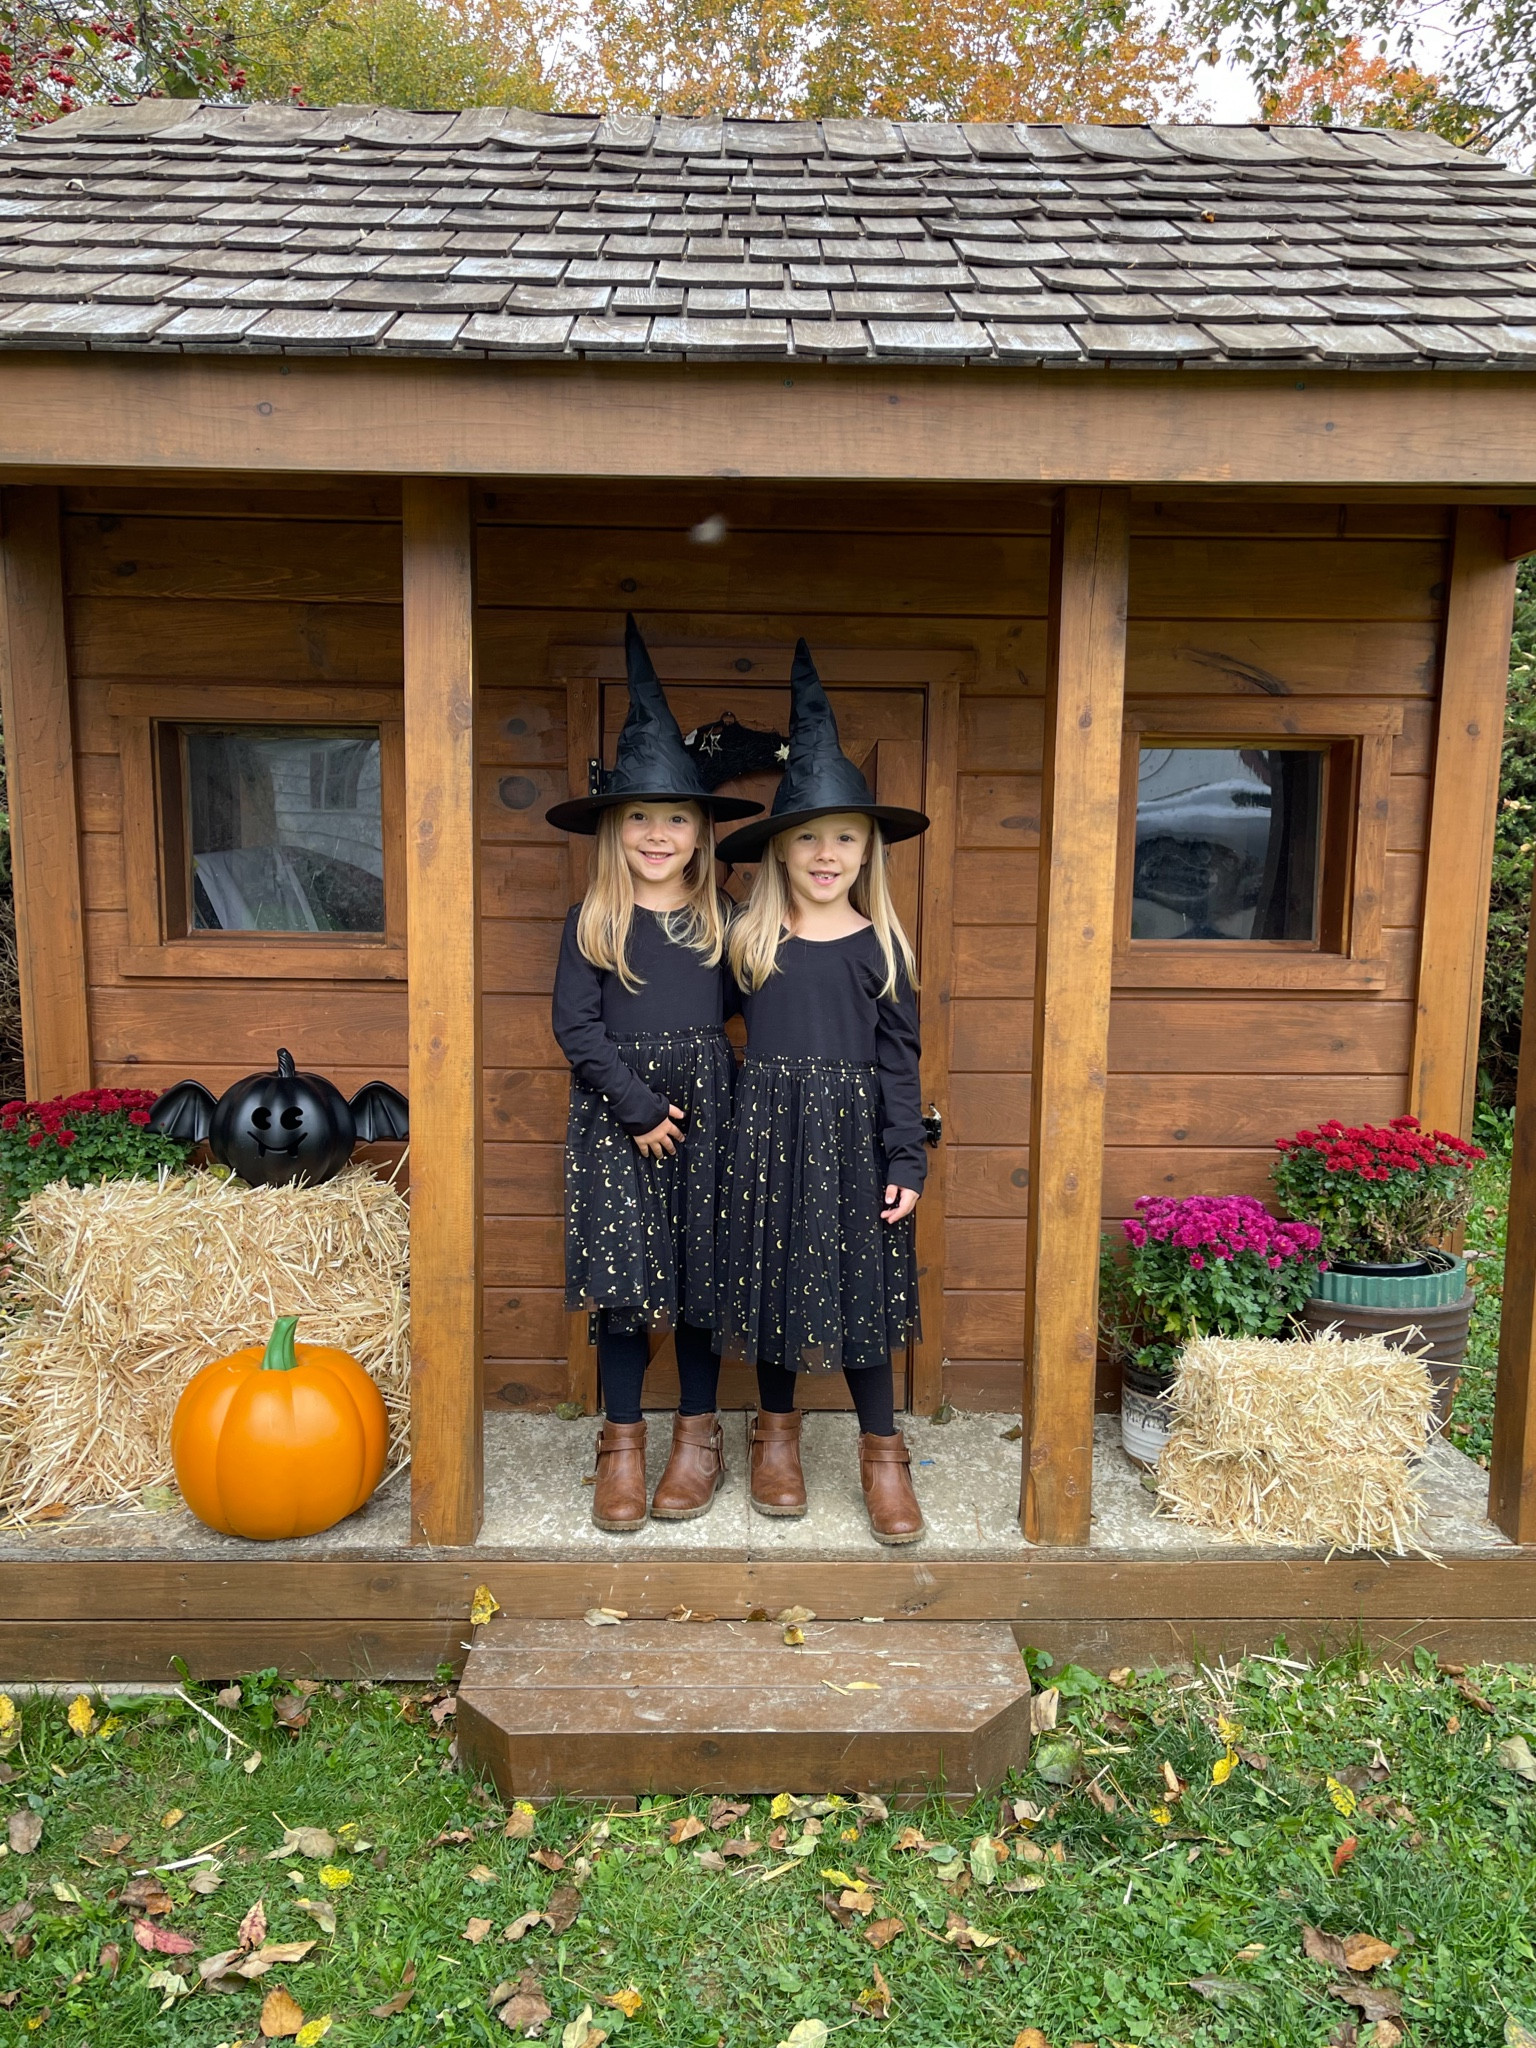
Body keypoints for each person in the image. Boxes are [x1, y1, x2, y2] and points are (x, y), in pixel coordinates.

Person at [546, 617, 762, 1532]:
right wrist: (637, 1108)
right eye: (640, 817)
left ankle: (698, 1441)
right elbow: (574, 1026)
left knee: (703, 1282)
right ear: (613, 828)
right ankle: (622, 1444)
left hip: (710, 1109)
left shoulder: (728, 916)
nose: (658, 833)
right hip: (617, 1119)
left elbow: (772, 1003)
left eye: (676, 817)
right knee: (628, 1288)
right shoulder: (592, 920)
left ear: (703, 831)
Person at [714, 642, 929, 1545]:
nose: (827, 852)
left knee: (862, 1292)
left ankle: (884, 1456)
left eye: (845, 835)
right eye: (808, 835)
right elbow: (697, 1024)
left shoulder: (880, 947)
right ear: (778, 850)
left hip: (851, 1142)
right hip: (766, 1135)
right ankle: (776, 1443)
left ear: (868, 848)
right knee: (773, 1287)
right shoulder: (750, 941)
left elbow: (900, 1060)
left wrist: (906, 1155)